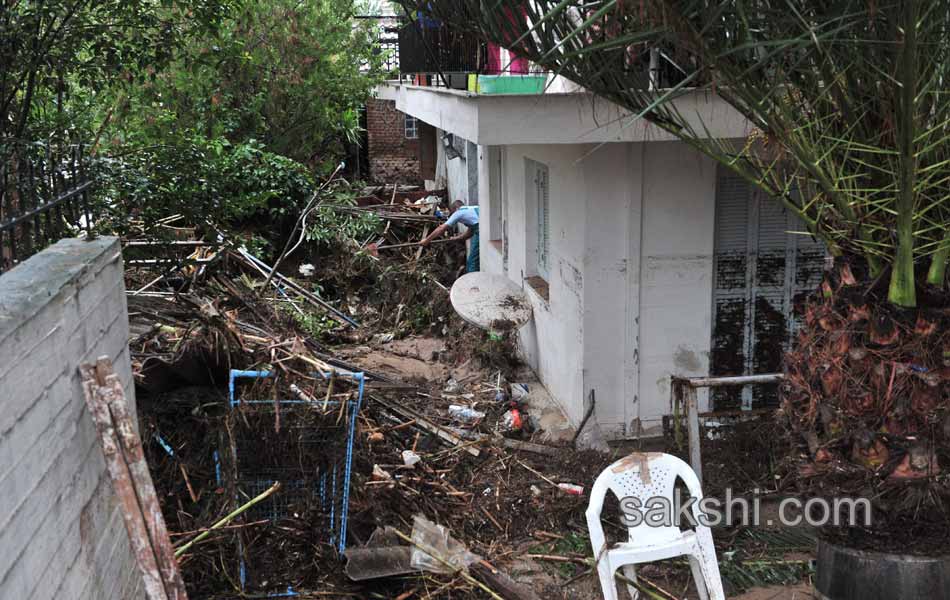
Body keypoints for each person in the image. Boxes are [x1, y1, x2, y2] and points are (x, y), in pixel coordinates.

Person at [420, 200, 480, 273]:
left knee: (472, 262)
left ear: (455, 209)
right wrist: (456, 238)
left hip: (482, 231)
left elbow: (441, 228)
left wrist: (426, 240)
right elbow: (469, 233)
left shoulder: (458, 212)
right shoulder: (472, 209)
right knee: (475, 258)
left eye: (452, 213)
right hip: (490, 229)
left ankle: (472, 280)